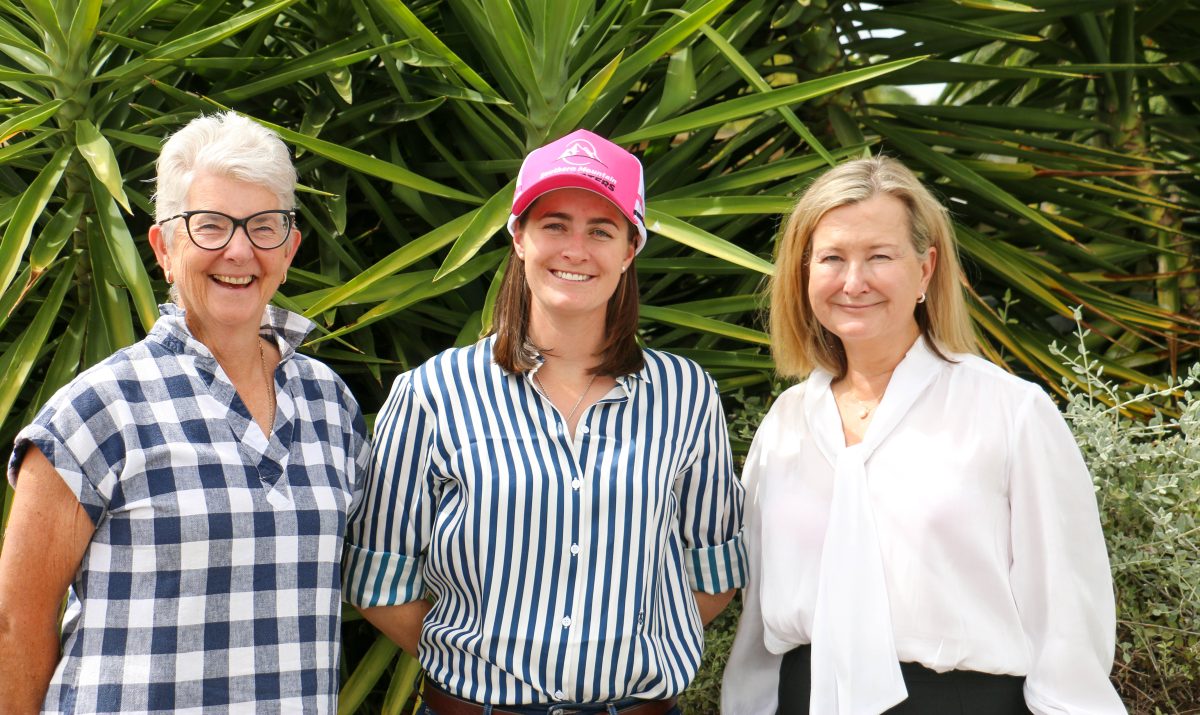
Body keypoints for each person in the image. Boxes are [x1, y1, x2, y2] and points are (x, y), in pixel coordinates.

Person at [343, 129, 747, 714]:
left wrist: (628, 658)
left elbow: (715, 568)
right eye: (554, 224)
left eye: (601, 230)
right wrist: (482, 673)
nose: (575, 250)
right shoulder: (432, 394)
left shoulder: (686, 394)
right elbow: (379, 582)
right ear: (518, 238)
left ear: (631, 248)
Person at [721, 156, 1125, 715]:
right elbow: (759, 619)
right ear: (804, 272)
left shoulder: (1011, 413)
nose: (853, 281)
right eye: (832, 258)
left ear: (926, 268)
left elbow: (1066, 623)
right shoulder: (786, 423)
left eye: (879, 256)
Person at [0, 112, 369, 714]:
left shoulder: (329, 404)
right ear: (164, 247)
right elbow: (14, 625)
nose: (240, 249)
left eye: (264, 226)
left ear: (290, 246)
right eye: (211, 226)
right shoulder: (101, 410)